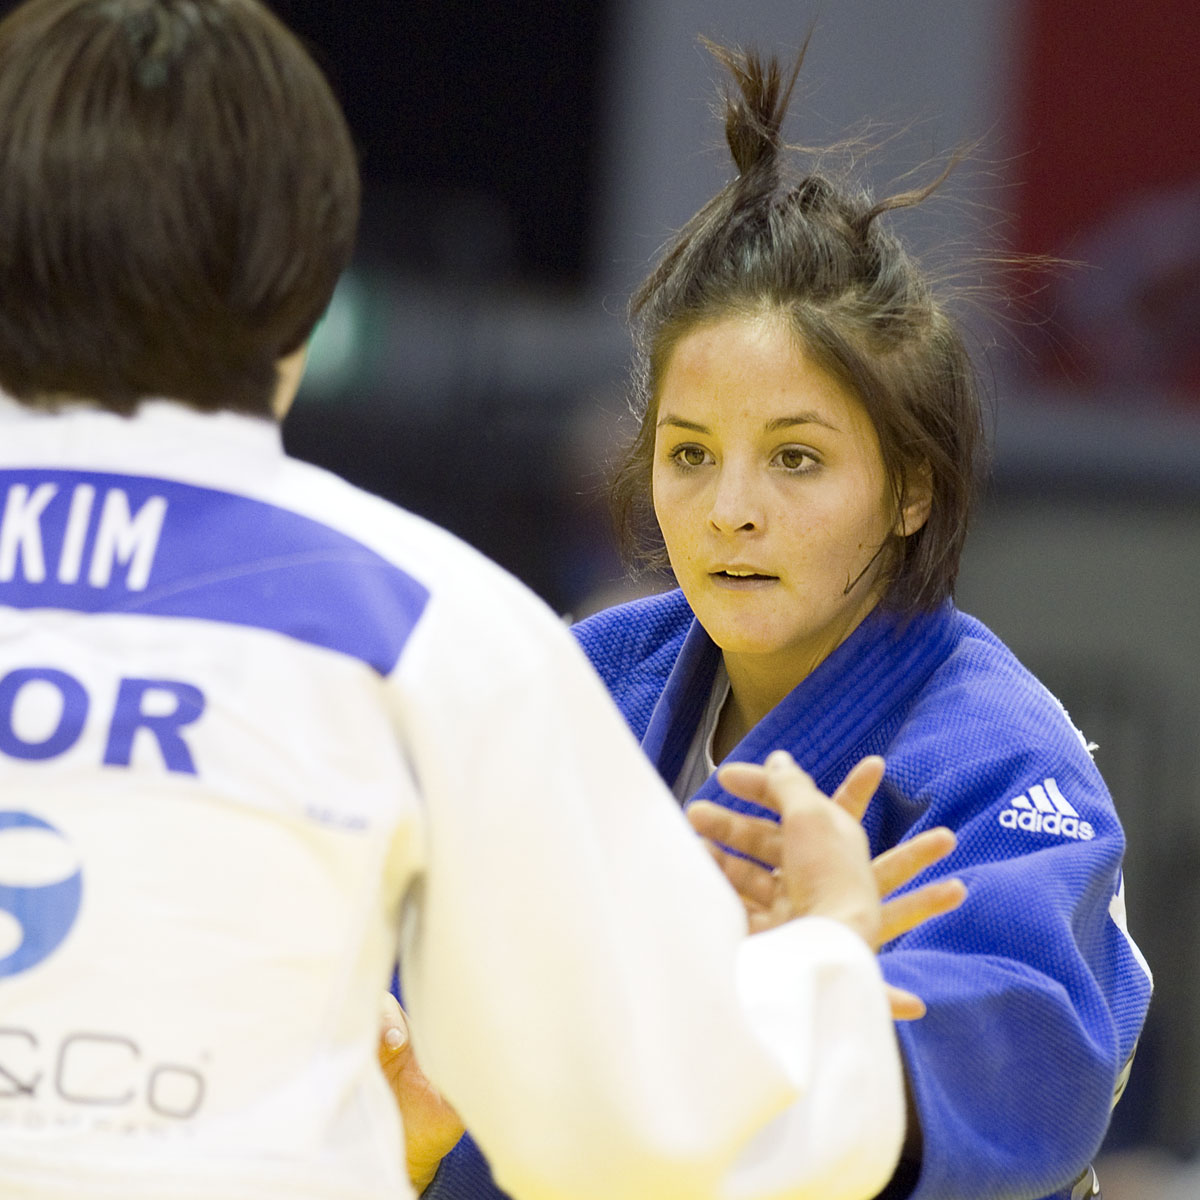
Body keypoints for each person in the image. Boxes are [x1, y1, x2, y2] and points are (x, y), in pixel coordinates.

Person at [0, 4, 966, 1200]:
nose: (735, 508)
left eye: (799, 460)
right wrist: (820, 962)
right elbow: (637, 1131)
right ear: (303, 291)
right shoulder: (424, 625)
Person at [399, 40, 1154, 1200]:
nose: (731, 511)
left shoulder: (994, 753)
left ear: (913, 487)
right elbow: (431, 1030)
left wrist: (822, 977)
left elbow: (1036, 1072)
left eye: (797, 459)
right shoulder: (577, 686)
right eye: (689, 455)